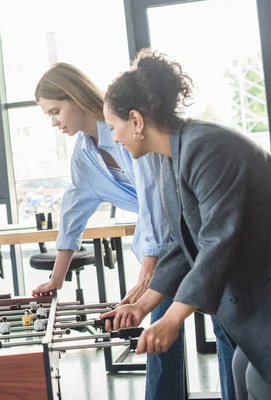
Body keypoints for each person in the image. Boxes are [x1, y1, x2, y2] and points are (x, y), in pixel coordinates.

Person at [30, 62, 230, 400]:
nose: (54, 122)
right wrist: (57, 278)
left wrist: (149, 268)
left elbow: (154, 193)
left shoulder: (127, 127)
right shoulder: (84, 153)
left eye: (55, 111)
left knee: (222, 322)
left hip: (187, 231)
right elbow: (74, 210)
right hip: (164, 242)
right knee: (159, 329)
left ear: (75, 97)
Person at [101, 49, 271, 400]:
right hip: (257, 286)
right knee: (241, 368)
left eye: (114, 126)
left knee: (255, 380)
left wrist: (173, 318)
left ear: (135, 120)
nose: (115, 137)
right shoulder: (170, 157)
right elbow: (186, 241)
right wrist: (144, 306)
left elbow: (216, 242)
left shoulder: (205, 147)